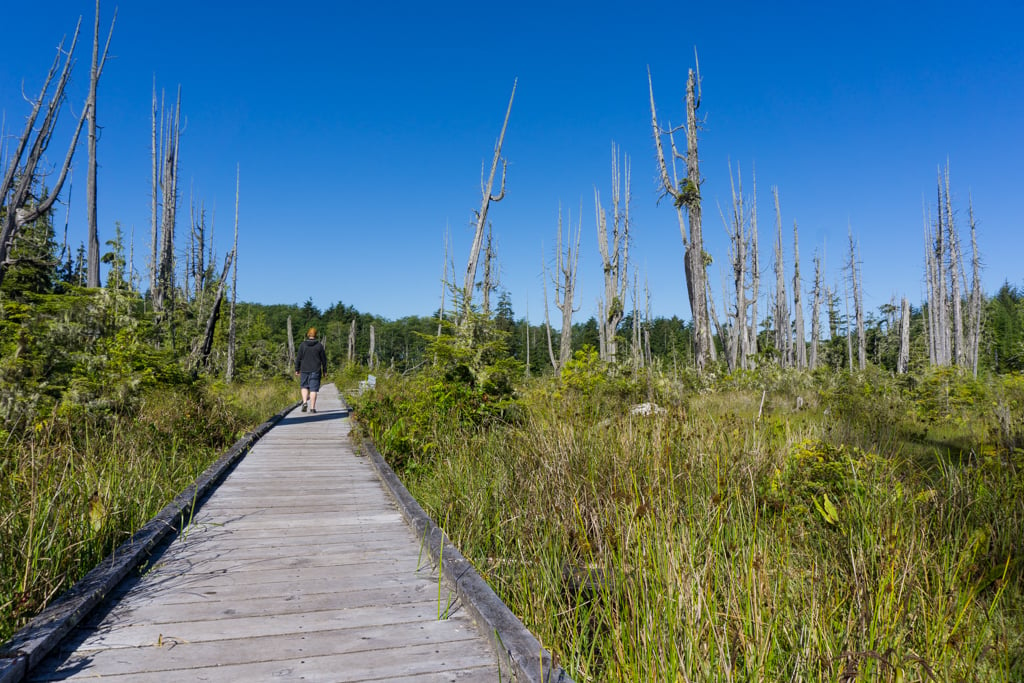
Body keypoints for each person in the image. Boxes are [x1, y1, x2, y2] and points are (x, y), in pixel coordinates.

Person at [295, 327, 328, 413]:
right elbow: (323, 360)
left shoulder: (303, 345)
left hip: (304, 369)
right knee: (313, 389)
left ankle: (305, 402)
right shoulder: (319, 345)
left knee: (304, 386)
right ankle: (312, 408)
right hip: (316, 369)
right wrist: (325, 370)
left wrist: (297, 369)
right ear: (316, 335)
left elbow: (298, 358)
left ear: (308, 334)